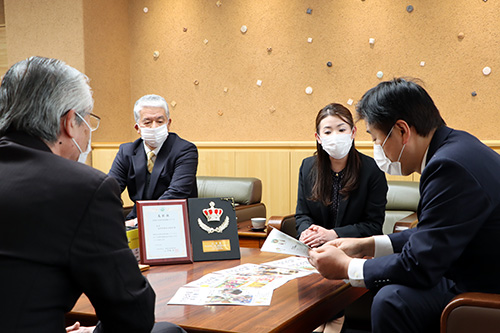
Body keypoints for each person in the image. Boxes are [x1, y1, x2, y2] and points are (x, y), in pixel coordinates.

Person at [0, 56, 184, 333]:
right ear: (70, 122)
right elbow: (133, 317)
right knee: (167, 330)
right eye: (89, 120)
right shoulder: (82, 188)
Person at [308, 78, 500, 333]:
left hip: (482, 287)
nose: (378, 148)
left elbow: (420, 264)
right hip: (469, 269)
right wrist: (367, 244)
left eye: (377, 139)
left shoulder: (448, 168)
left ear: (402, 131)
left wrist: (346, 266)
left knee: (392, 301)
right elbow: (432, 233)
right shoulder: (457, 147)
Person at [296, 103, 387, 248]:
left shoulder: (372, 169)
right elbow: (302, 215)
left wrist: (334, 234)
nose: (335, 137)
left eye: (341, 129)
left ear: (353, 132)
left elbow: (373, 225)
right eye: (327, 132)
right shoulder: (307, 167)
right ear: (318, 137)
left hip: (356, 250)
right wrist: (307, 232)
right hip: (316, 248)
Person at [109, 94, 198, 226]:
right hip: (136, 219)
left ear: (168, 124)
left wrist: (139, 222)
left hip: (175, 221)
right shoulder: (126, 151)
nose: (154, 127)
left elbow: (176, 193)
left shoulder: (185, 150)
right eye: (147, 122)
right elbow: (110, 188)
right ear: (137, 128)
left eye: (160, 121)